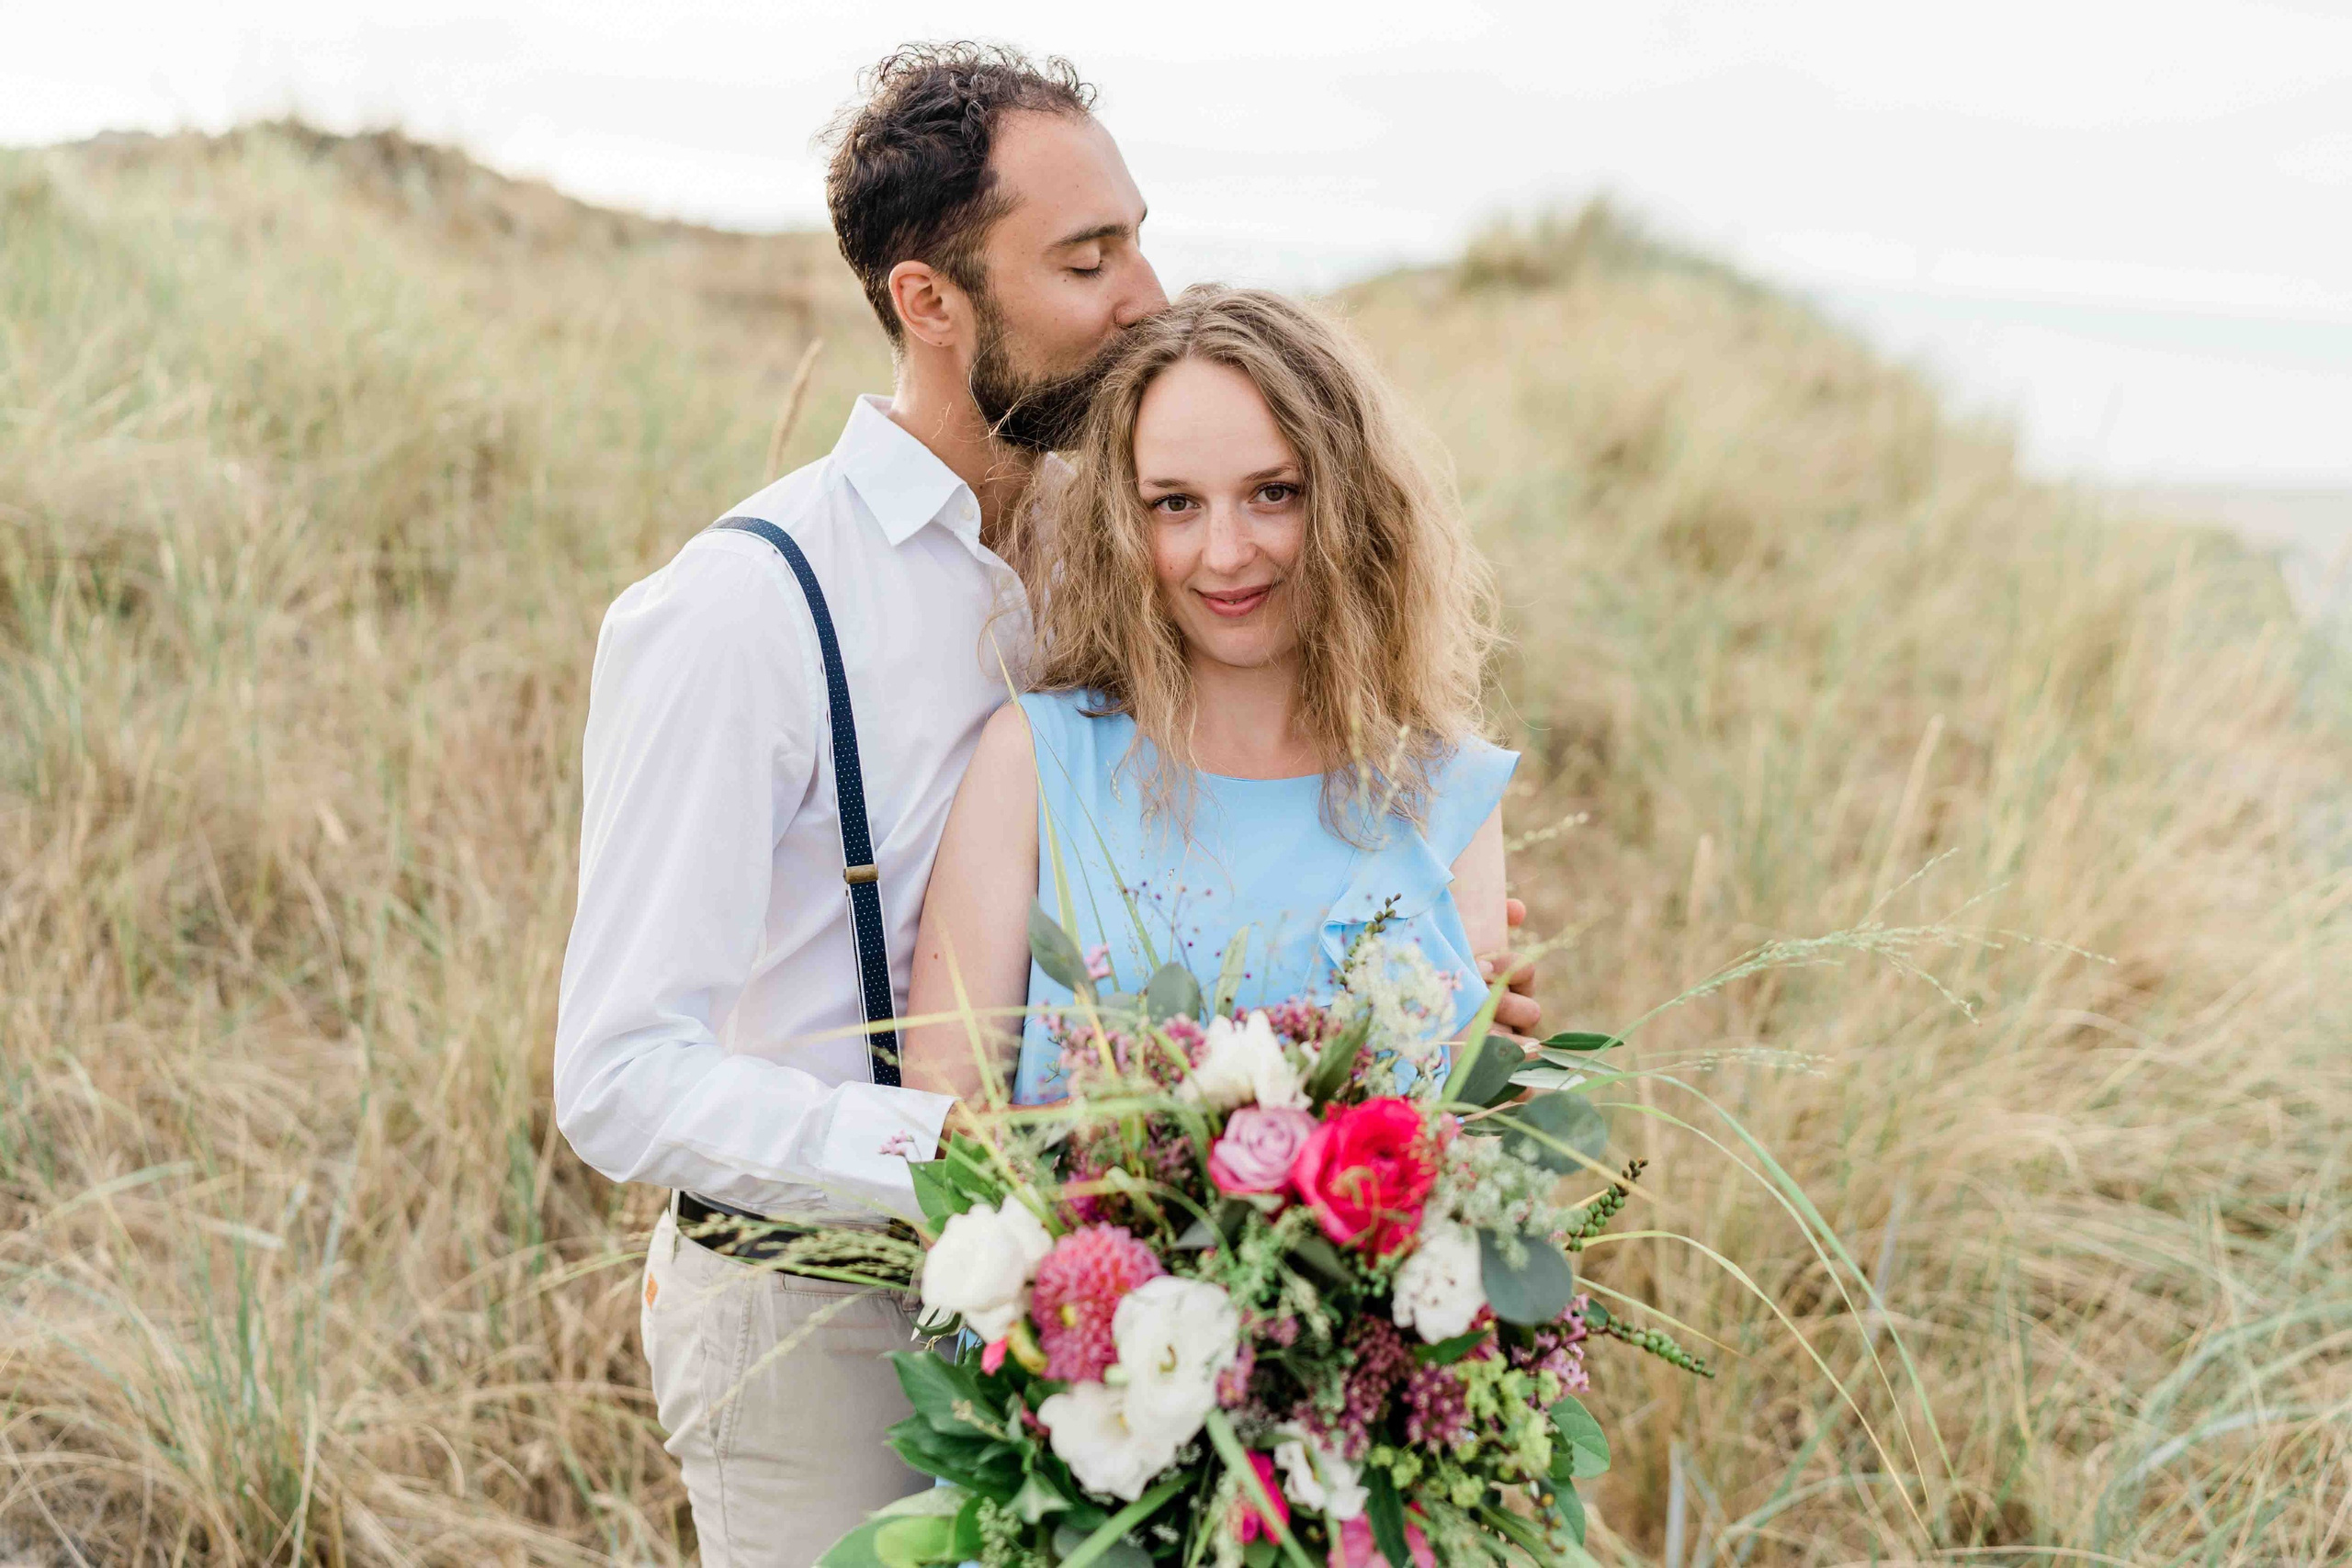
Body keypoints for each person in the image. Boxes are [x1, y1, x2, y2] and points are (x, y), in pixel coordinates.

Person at [553, 45, 1538, 1568]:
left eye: (1139, 233)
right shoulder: (743, 608)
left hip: (1153, 1298)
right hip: (818, 1306)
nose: (1147, 291)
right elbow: (618, 1072)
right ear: (928, 303)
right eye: (1088, 259)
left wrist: (1434, 992)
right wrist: (970, 1153)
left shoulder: (1123, 520)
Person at [904, 286, 1515, 1113]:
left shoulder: (1445, 786)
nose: (1225, 554)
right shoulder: (1038, 761)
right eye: (1176, 504)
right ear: (1126, 519)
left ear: (1351, 501)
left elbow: (1470, 1139)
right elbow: (947, 1123)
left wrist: (1505, 1088)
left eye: (1275, 492)